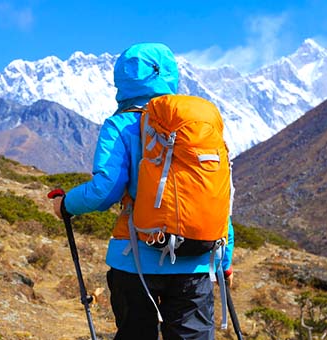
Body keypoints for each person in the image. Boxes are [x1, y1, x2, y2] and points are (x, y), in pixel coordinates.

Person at [52, 42, 234, 339]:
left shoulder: (121, 126)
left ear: (121, 80)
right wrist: (224, 261)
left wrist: (66, 204)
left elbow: (104, 190)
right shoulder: (198, 127)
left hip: (134, 258)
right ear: (172, 76)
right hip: (196, 261)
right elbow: (217, 195)